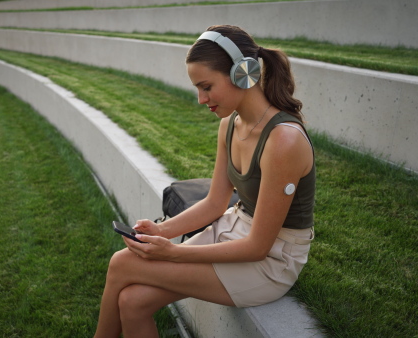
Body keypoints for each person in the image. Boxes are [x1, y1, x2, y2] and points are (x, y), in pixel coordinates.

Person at [94, 24, 315, 338]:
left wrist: (171, 252)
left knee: (121, 264)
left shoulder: (284, 141)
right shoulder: (230, 124)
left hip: (273, 260)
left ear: (243, 73)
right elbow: (214, 203)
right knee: (132, 302)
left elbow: (258, 247)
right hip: (234, 227)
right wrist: (162, 231)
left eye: (206, 86)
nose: (200, 99)